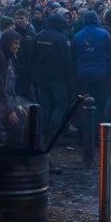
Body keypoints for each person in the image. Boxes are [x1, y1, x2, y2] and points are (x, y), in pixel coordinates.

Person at [30, 12, 74, 150]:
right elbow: (67, 61)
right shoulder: (61, 38)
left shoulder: (39, 35)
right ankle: (53, 131)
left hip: (40, 76)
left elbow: (33, 55)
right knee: (60, 104)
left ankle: (42, 131)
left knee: (44, 103)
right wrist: (69, 79)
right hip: (57, 77)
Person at [72, 11, 111, 145]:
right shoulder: (104, 34)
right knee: (99, 105)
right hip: (100, 75)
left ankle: (82, 136)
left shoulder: (77, 36)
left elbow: (72, 58)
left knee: (82, 105)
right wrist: (109, 75)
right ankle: (97, 137)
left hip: (82, 76)